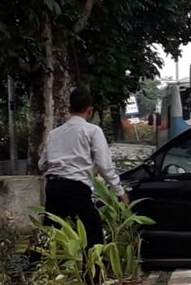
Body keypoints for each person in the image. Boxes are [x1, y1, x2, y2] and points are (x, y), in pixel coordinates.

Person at [38, 87, 129, 248]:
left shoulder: (54, 133)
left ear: (69, 109)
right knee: (92, 233)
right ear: (90, 110)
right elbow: (104, 165)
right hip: (76, 189)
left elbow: (42, 164)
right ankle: (90, 273)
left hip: (53, 187)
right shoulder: (92, 131)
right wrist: (119, 191)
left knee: (51, 234)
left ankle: (41, 269)